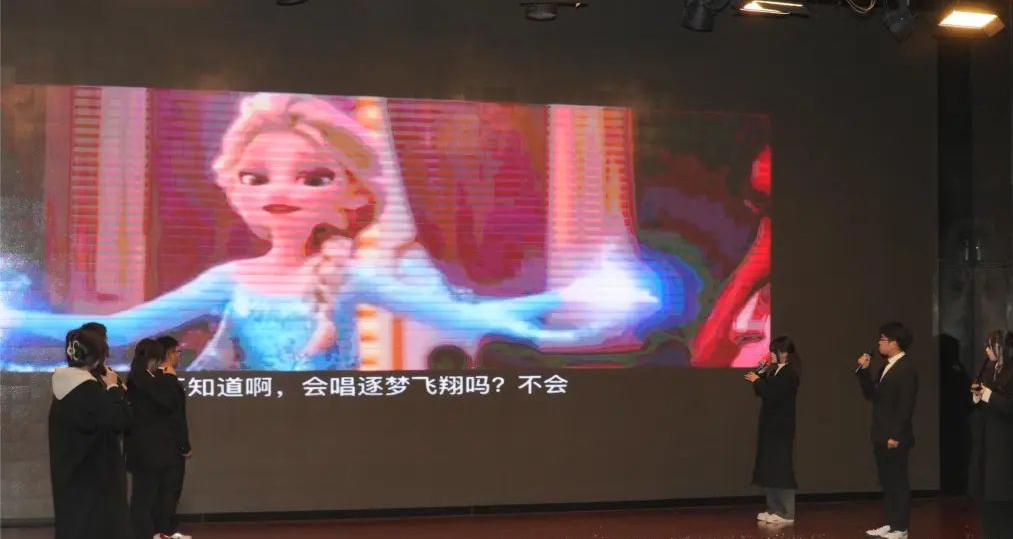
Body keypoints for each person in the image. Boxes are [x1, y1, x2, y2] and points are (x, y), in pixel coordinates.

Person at [4, 94, 654, 370]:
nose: (281, 193)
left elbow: (477, 314)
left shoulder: (350, 275)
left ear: (350, 193)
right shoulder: (230, 278)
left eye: (313, 177)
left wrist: (577, 314)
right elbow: (121, 330)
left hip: (319, 421)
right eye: (256, 177)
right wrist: (18, 321)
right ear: (233, 186)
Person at [49, 327, 129, 539]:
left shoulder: (66, 385)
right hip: (87, 482)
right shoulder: (87, 389)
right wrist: (114, 389)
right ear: (97, 358)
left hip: (74, 479)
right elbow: (119, 421)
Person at [856, 321, 918, 539]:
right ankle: (891, 522)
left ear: (894, 343)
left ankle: (900, 526)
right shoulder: (887, 366)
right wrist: (864, 371)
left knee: (898, 480)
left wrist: (896, 435)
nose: (879, 343)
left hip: (894, 436)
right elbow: (872, 395)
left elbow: (905, 406)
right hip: (881, 433)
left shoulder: (906, 368)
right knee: (887, 480)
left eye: (882, 339)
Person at [970, 329, 1013, 539]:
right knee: (988, 490)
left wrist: (988, 395)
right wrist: (977, 396)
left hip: (1005, 441)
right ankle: (993, 538)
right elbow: (984, 401)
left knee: (1004, 491)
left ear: (1001, 348)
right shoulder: (990, 369)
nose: (986, 350)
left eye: (990, 345)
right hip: (988, 438)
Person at [124, 338, 173, 539]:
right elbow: (167, 403)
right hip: (146, 450)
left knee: (144, 496)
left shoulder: (139, 377)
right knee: (143, 498)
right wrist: (169, 378)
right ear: (154, 358)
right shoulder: (144, 379)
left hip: (143, 449)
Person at [744, 335, 799, 524]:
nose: (770, 354)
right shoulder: (775, 371)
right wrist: (760, 374)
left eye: (773, 351)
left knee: (781, 467)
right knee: (769, 467)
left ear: (784, 353)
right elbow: (761, 392)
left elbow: (773, 394)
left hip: (781, 428)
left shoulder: (790, 373)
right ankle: (774, 508)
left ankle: (787, 513)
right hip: (770, 426)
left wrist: (757, 381)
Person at [153, 335, 192, 539]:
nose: (179, 356)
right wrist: (184, 444)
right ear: (168, 353)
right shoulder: (167, 380)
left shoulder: (149, 378)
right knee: (169, 488)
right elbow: (177, 416)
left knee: (161, 489)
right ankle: (163, 531)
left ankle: (161, 530)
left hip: (156, 445)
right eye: (177, 352)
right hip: (169, 445)